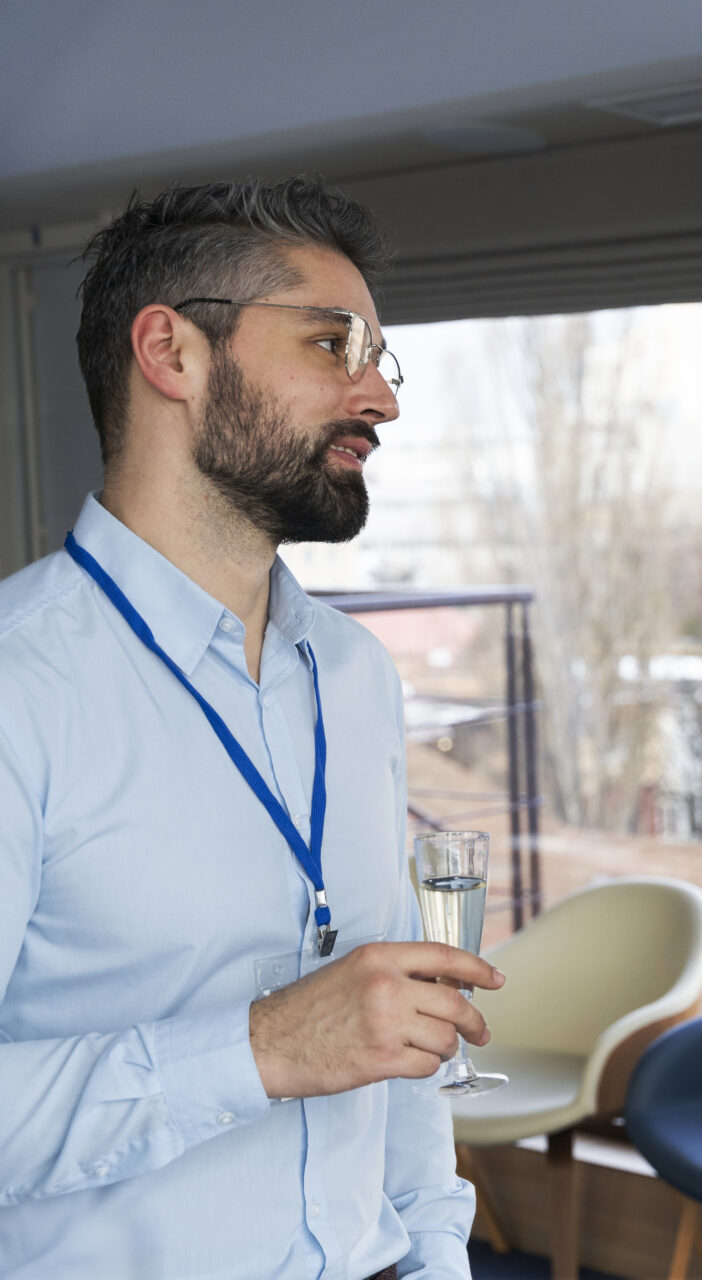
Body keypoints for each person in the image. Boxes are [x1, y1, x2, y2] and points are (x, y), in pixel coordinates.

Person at [0, 179, 503, 1279]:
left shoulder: (358, 674)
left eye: (380, 356)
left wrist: (431, 1253)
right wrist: (263, 1048)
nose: (382, 396)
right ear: (171, 353)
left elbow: (393, 1038)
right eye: (335, 343)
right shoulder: (16, 685)